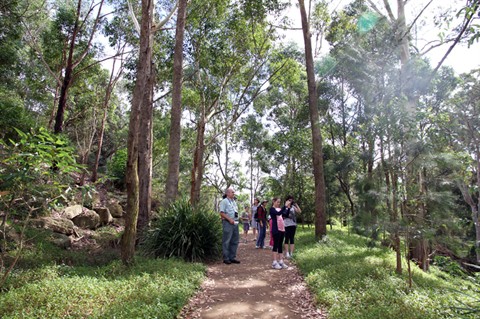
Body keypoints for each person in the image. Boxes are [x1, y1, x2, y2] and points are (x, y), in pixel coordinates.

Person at [219, 187, 240, 265]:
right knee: (227, 240)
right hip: (228, 223)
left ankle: (232, 257)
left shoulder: (234, 201)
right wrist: (229, 219)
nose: (234, 193)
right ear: (227, 193)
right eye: (232, 192)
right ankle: (226, 258)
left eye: (234, 192)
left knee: (235, 240)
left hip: (235, 223)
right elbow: (221, 213)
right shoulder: (224, 202)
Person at [269, 197, 291, 269]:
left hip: (282, 229)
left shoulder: (279, 209)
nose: (278, 203)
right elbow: (278, 213)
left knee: (280, 246)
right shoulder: (272, 209)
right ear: (273, 201)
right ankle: (274, 262)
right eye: (277, 202)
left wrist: (288, 208)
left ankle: (281, 261)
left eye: (279, 202)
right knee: (275, 245)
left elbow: (285, 215)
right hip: (276, 229)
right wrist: (284, 206)